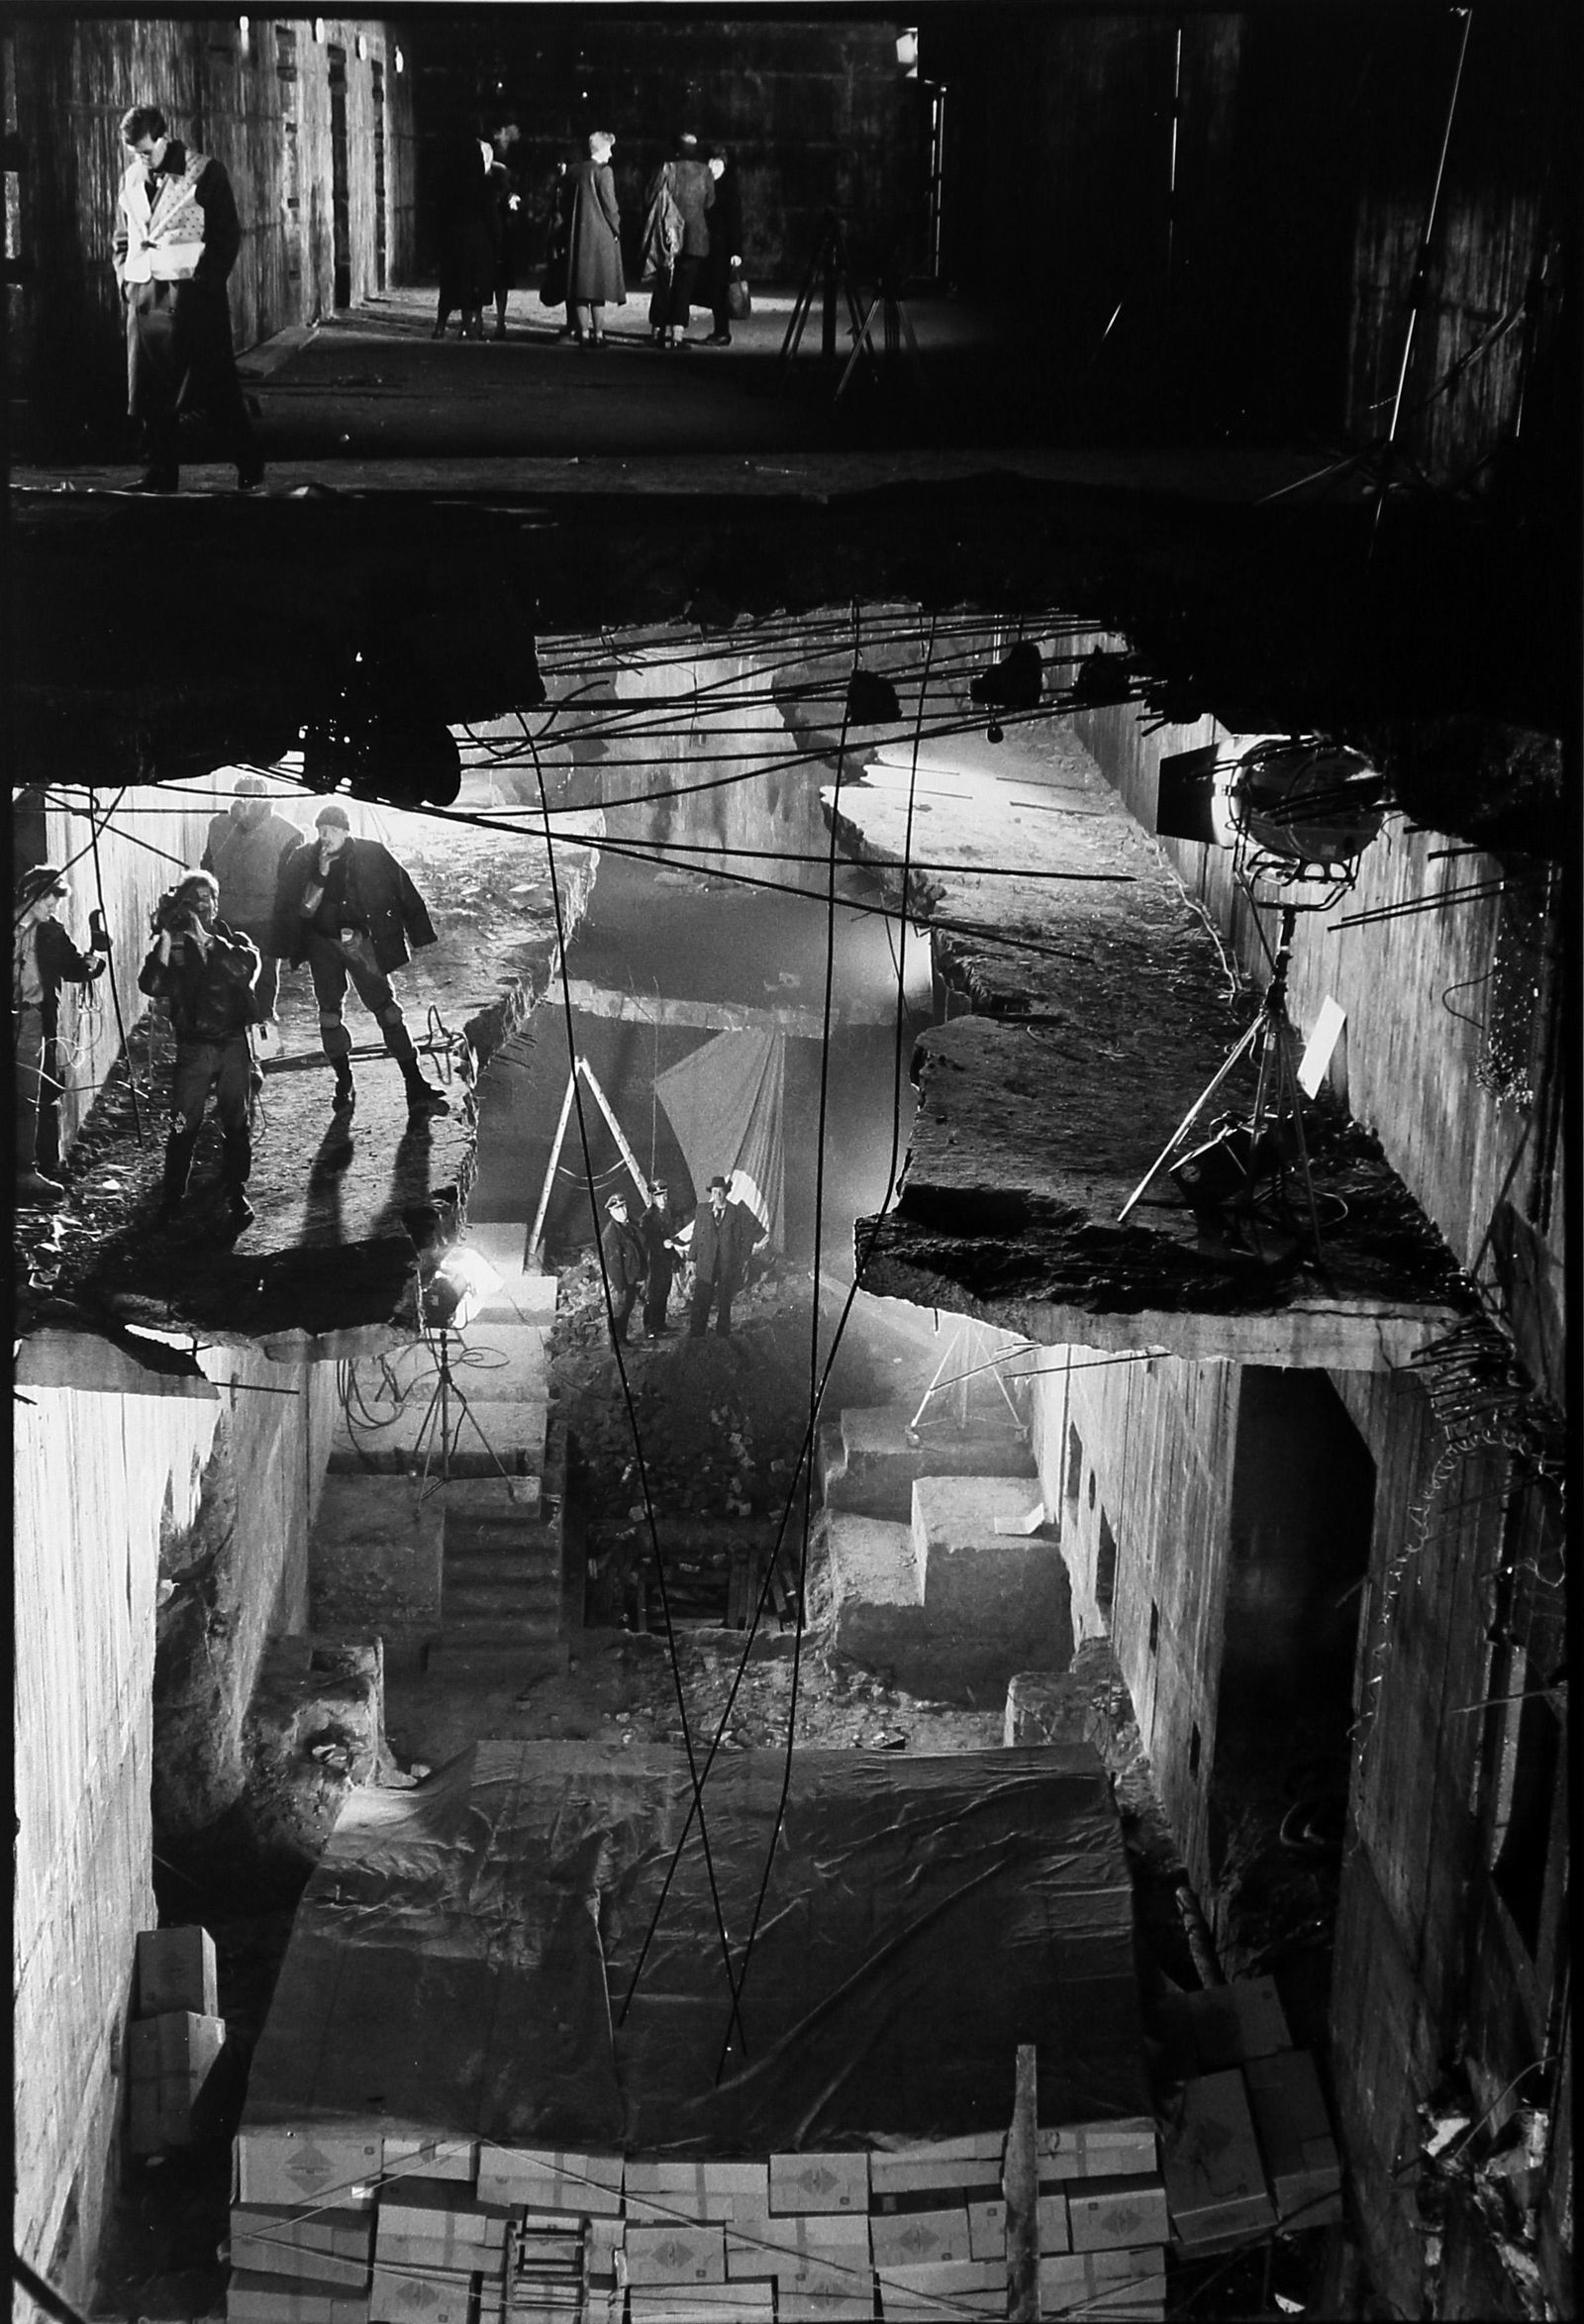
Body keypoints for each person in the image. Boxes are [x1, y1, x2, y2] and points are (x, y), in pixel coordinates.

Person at [112, 103, 264, 493]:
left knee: (215, 390)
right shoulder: (131, 177)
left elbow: (226, 235)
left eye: (146, 151)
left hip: (192, 298)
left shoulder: (206, 172)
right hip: (146, 298)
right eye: (134, 154)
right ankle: (161, 471)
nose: (141, 160)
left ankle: (248, 460)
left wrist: (204, 285)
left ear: (164, 138)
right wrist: (126, 284)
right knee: (149, 391)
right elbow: (123, 235)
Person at [271, 802, 450, 1122]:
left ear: (344, 831)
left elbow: (403, 888)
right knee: (328, 1015)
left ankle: (414, 1084)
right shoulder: (305, 859)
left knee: (389, 1011)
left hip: (362, 943)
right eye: (321, 831)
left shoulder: (371, 854)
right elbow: (301, 910)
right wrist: (322, 874)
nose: (325, 837)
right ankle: (344, 1081)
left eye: (331, 831)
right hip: (322, 944)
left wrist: (419, 933)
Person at [138, 869, 259, 1230]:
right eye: (194, 900)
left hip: (233, 1045)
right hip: (194, 1050)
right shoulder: (174, 947)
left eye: (208, 899)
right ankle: (172, 1197)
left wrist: (204, 938)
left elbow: (245, 968)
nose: (201, 906)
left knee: (236, 1121)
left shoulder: (233, 940)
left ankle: (235, 1191)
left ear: (217, 903)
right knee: (181, 1125)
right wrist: (163, 941)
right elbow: (153, 985)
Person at [14, 864, 111, 1205]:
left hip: (30, 1021)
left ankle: (25, 1172)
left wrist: (95, 957)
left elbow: (74, 969)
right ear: (32, 896)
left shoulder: (51, 933)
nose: (54, 907)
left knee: (26, 1098)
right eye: (50, 900)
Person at [200, 773, 300, 1035]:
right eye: (240, 796)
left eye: (251, 798)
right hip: (226, 917)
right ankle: (229, 1038)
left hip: (266, 919)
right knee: (224, 977)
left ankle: (263, 1037)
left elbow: (291, 887)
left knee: (264, 979)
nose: (245, 803)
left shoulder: (287, 834)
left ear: (264, 800)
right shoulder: (218, 826)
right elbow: (208, 867)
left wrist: (288, 925)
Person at [433, 126, 495, 340]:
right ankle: (468, 326)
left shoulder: (448, 182)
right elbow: (489, 213)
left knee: (450, 283)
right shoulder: (483, 184)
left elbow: (440, 210)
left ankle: (440, 325)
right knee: (473, 283)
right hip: (476, 236)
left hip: (452, 236)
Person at [565, 130, 625, 348]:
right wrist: (617, 228)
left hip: (579, 235)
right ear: (602, 148)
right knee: (598, 289)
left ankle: (583, 332)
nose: (610, 154)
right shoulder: (604, 172)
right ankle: (598, 334)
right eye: (609, 148)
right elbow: (610, 206)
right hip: (601, 237)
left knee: (581, 289)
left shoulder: (575, 171)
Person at [657, 131, 713, 350]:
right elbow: (709, 202)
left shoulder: (669, 168)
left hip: (669, 233)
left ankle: (659, 330)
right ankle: (677, 335)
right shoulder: (705, 171)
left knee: (665, 283)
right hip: (695, 235)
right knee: (684, 285)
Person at [686, 1173, 756, 1338]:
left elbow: (746, 1237)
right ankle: (697, 1334)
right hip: (706, 1263)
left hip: (726, 1264)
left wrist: (742, 1258)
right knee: (702, 1300)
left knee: (725, 1301)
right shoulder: (702, 1210)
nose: (717, 1196)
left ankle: (722, 1335)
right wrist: (691, 1259)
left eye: (720, 1192)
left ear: (726, 1193)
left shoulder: (735, 1212)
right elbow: (696, 1235)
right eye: (714, 1192)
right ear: (711, 1193)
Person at [700, 148, 743, 347]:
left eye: (717, 164)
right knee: (715, 290)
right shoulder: (708, 185)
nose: (713, 168)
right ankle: (720, 331)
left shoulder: (728, 189)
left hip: (722, 248)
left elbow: (734, 222)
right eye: (711, 163)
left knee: (720, 291)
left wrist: (736, 251)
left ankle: (722, 332)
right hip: (711, 246)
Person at [487, 123, 526, 340]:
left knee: (499, 277)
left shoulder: (506, 167)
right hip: (495, 225)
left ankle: (498, 319)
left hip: (500, 227)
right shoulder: (494, 169)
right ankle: (487, 320)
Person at [599, 1190, 646, 1348]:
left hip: (631, 1277)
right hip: (623, 1281)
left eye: (624, 1206)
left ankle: (622, 1339)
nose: (623, 1211)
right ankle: (616, 1343)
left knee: (627, 1308)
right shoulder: (611, 1234)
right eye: (618, 1209)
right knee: (620, 1310)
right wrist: (620, 1286)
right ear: (611, 1212)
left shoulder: (628, 1224)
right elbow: (613, 1265)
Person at [638, 1178, 684, 1338]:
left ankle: (660, 1324)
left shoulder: (668, 1213)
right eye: (658, 1196)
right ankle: (650, 1328)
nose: (663, 1199)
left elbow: (671, 1235)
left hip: (666, 1261)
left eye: (664, 1195)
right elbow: (645, 1241)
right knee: (653, 1294)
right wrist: (661, 1243)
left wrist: (676, 1255)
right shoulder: (648, 1218)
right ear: (652, 1198)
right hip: (653, 1262)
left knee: (664, 1291)